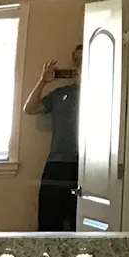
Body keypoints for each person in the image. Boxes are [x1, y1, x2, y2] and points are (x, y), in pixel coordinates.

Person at [24, 46, 82, 231]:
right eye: (78, 59)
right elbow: (30, 108)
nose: (82, 63)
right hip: (57, 165)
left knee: (79, 225)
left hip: (89, 170)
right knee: (49, 223)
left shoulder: (105, 94)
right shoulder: (60, 94)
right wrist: (43, 81)